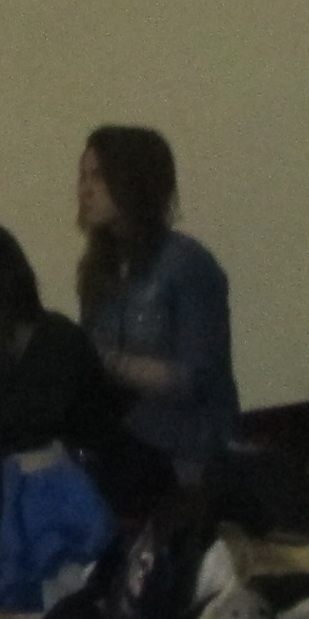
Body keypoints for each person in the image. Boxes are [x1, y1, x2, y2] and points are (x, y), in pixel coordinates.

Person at [75, 124, 240, 485]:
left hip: (185, 447)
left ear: (133, 181)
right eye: (82, 177)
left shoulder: (185, 263)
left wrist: (104, 361)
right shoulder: (97, 271)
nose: (85, 190)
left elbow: (194, 378)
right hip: (124, 436)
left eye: (98, 177)